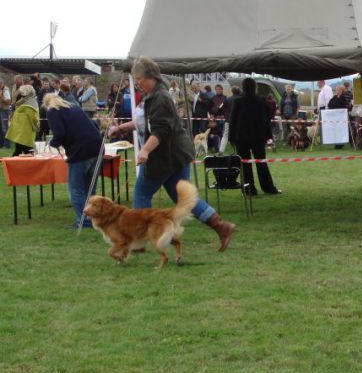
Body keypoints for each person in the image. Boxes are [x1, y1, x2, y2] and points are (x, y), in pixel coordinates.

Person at [108, 56, 236, 252]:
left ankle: (137, 243)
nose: (137, 83)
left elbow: (161, 131)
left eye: (138, 79)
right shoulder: (155, 95)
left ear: (149, 77)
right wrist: (122, 128)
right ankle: (222, 226)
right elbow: (148, 124)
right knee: (183, 199)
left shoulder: (159, 98)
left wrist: (144, 150)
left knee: (141, 194)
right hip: (176, 156)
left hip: (164, 157)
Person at [43, 94, 102, 228]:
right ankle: (93, 218)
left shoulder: (53, 112)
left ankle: (83, 221)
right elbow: (93, 124)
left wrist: (52, 143)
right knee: (90, 188)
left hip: (80, 151)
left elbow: (59, 133)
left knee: (76, 189)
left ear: (46, 105)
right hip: (97, 147)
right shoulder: (74, 107)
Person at [229, 77, 280, 195]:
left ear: (243, 88)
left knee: (245, 164)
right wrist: (269, 136)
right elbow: (267, 120)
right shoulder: (262, 101)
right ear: (255, 87)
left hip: (241, 138)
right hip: (258, 137)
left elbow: (233, 120)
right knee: (261, 163)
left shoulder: (238, 101)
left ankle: (249, 189)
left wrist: (231, 137)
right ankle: (268, 188)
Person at [6, 85, 39, 156]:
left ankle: (10, 164)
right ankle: (11, 164)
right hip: (24, 132)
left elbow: (32, 118)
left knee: (20, 151)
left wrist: (36, 127)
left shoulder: (28, 103)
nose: (21, 93)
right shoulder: (29, 102)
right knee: (26, 152)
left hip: (23, 131)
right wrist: (37, 127)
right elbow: (33, 119)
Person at [0, 79, 11, 148]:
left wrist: (1, 97)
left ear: (2, 84)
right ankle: (2, 144)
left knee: (5, 128)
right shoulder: (1, 89)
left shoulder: (6, 90)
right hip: (2, 110)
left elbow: (8, 102)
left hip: (5, 110)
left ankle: (7, 145)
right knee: (2, 128)